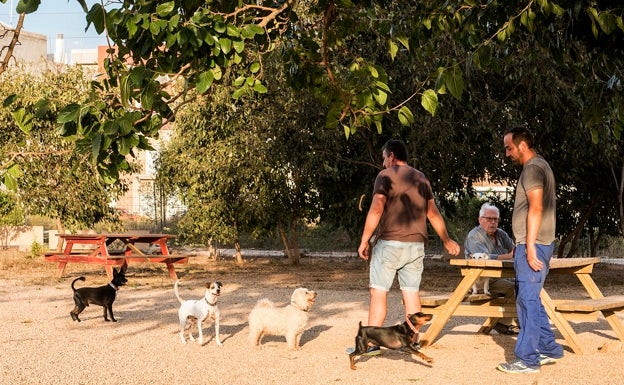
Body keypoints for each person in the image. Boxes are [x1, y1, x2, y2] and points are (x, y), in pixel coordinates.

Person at [357, 139, 461, 355]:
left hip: (389, 244)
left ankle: (371, 344)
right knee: (411, 293)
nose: (384, 162)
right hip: (416, 245)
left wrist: (364, 240)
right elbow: (432, 213)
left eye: (384, 157)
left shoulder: (385, 176)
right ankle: (411, 342)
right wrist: (446, 240)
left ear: (392, 156)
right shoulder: (421, 178)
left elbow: (376, 208)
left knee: (378, 293)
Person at [497, 126, 563, 373]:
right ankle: (548, 348)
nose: (507, 153)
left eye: (509, 148)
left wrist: (530, 246)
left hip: (534, 245)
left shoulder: (533, 169)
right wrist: (521, 243)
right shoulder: (541, 166)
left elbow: (535, 208)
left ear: (522, 145)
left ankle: (527, 359)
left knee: (526, 300)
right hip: (532, 242)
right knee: (530, 297)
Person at [464, 202, 518, 335]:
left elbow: (515, 250)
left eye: (495, 219)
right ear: (480, 219)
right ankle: (502, 323)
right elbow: (484, 259)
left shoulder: (501, 234)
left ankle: (511, 322)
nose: (492, 222)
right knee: (516, 287)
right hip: (481, 281)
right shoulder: (474, 236)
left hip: (499, 277)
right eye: (489, 219)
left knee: (524, 284)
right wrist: (508, 256)